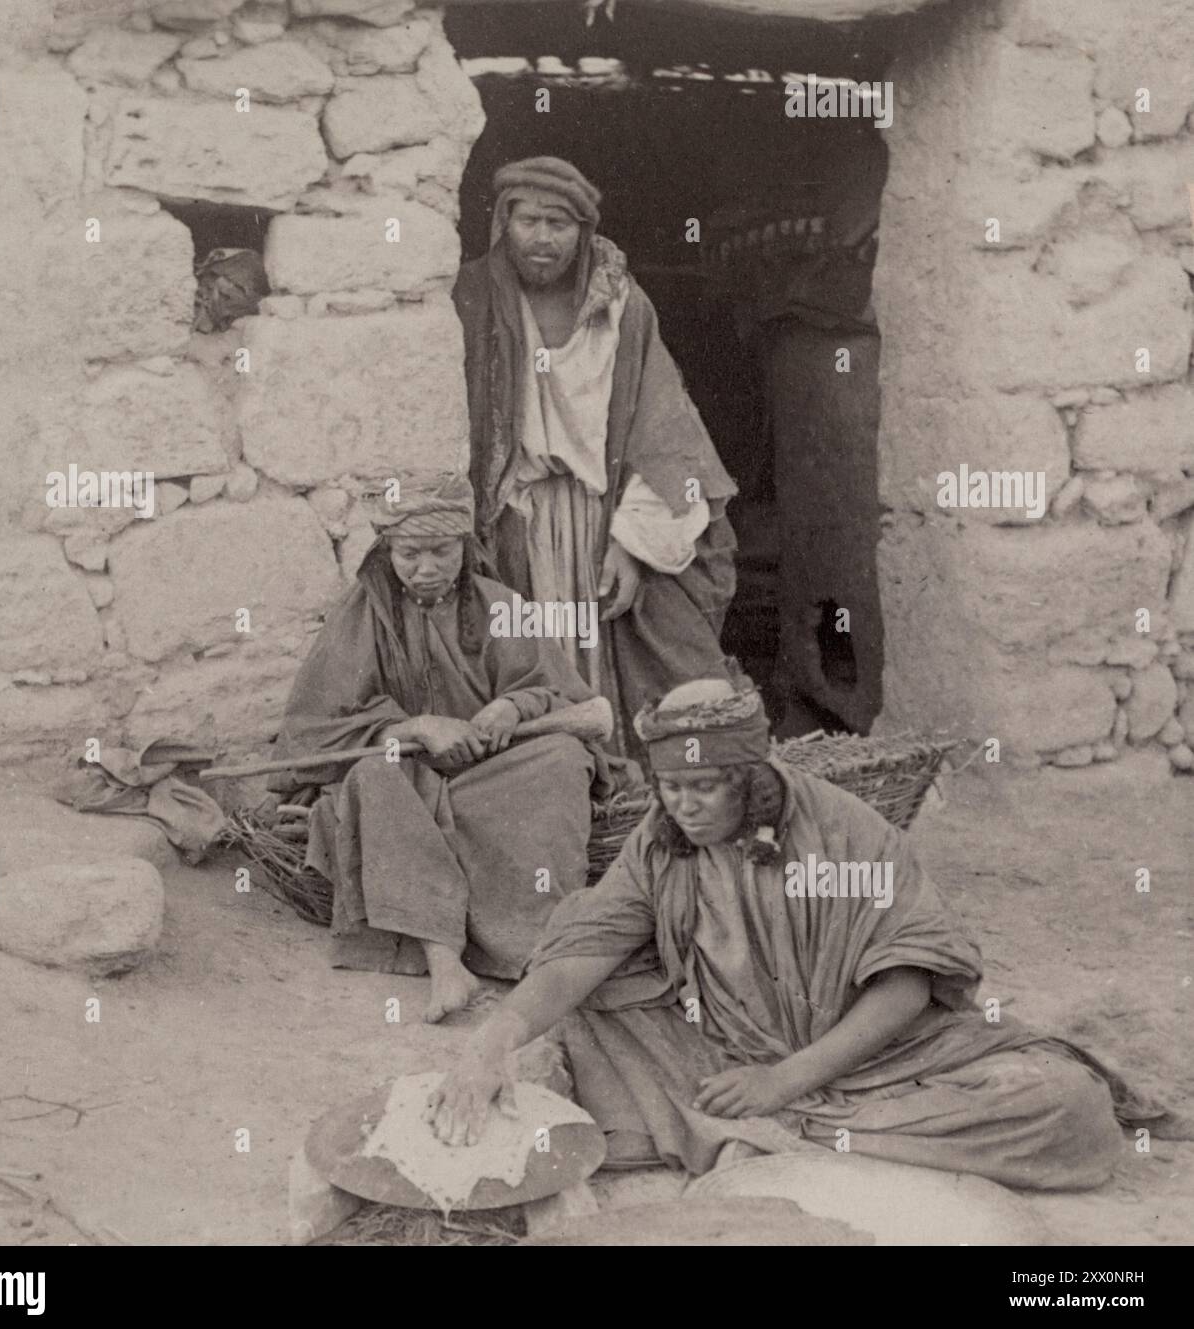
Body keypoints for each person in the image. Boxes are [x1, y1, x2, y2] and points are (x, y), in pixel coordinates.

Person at [425, 675, 1159, 1188]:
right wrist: (489, 1041)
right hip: (724, 1049)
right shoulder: (662, 839)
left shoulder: (844, 831)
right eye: (670, 788)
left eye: (704, 787)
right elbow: (585, 951)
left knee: (1070, 1108)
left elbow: (907, 981)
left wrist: (786, 1081)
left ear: (749, 775)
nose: (684, 806)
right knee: (578, 1009)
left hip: (878, 1060)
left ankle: (775, 1133)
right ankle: (790, 1134)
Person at [268, 475, 603, 1023]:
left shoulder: (501, 604)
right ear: (386, 551)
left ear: (465, 548)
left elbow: (563, 693)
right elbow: (310, 734)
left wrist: (512, 708)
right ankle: (443, 956)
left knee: (563, 758)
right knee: (371, 778)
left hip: (491, 775)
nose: (426, 567)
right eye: (409, 553)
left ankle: (533, 942)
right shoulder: (362, 617)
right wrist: (415, 728)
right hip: (405, 786)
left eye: (442, 550)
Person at [454, 156, 739, 755]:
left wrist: (632, 548)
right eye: (527, 219)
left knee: (626, 665)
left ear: (583, 231)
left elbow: (665, 433)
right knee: (520, 668)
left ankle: (618, 792)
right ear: (503, 223)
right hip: (512, 521)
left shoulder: (621, 308)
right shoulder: (470, 298)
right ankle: (548, 793)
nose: (542, 237)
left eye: (559, 223)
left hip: (601, 517)